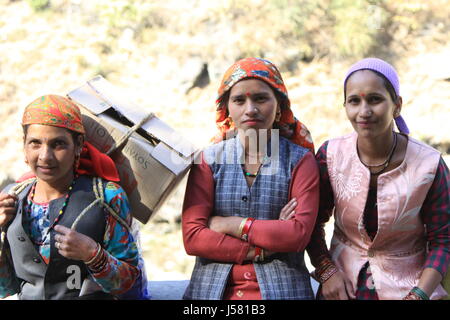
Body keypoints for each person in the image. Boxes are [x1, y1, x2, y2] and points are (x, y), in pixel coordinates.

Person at [306, 57, 449, 300]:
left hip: (409, 283)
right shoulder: (330, 155)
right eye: (354, 101)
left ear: (397, 105)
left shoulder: (429, 164)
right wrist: (327, 272)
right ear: (345, 107)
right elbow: (311, 223)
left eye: (375, 99)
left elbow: (444, 240)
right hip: (342, 282)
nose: (364, 111)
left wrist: (419, 294)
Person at [182, 57, 320, 300]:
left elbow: (297, 235)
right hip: (211, 294)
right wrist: (261, 248)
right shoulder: (208, 160)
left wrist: (231, 225)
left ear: (279, 106)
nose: (250, 109)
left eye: (261, 98)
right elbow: (193, 238)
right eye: (239, 100)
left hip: (285, 291)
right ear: (227, 108)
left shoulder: (300, 161)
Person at [0, 95, 148, 300]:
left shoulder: (105, 197)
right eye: (35, 143)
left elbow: (129, 281)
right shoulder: (12, 199)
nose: (45, 156)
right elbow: (4, 287)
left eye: (58, 144)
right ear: (24, 146)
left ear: (78, 145)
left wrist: (93, 255)